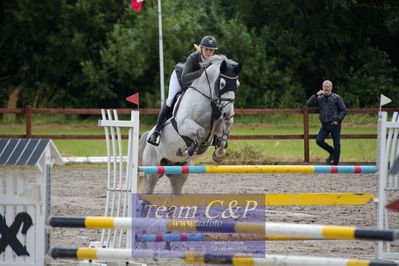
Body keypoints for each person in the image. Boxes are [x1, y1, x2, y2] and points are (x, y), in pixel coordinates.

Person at [147, 35, 218, 146]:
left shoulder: (214, 61)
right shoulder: (193, 57)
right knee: (171, 99)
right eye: (206, 49)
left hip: (196, 85)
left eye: (211, 50)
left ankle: (214, 135)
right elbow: (185, 77)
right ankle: (156, 132)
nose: (209, 52)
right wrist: (202, 72)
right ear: (201, 48)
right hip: (180, 77)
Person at [306, 80, 347, 165]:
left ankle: (336, 164)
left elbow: (343, 110)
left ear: (331, 88)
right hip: (324, 125)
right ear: (322, 88)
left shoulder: (337, 97)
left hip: (335, 125)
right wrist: (316, 94)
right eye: (325, 87)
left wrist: (338, 120)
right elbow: (308, 104)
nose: (326, 88)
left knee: (337, 144)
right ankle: (332, 152)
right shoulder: (319, 98)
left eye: (328, 86)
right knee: (319, 141)